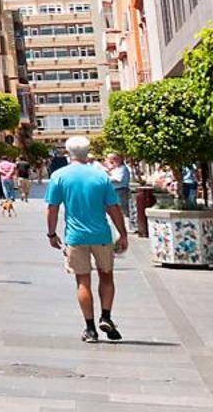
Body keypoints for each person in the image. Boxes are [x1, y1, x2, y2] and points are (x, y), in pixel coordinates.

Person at [45, 135, 129, 344]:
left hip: (75, 236)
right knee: (106, 276)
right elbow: (113, 208)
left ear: (68, 153)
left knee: (82, 281)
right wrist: (123, 234)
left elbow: (52, 208)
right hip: (101, 234)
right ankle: (106, 316)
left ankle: (90, 329)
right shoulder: (100, 176)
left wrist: (52, 233)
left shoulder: (59, 176)